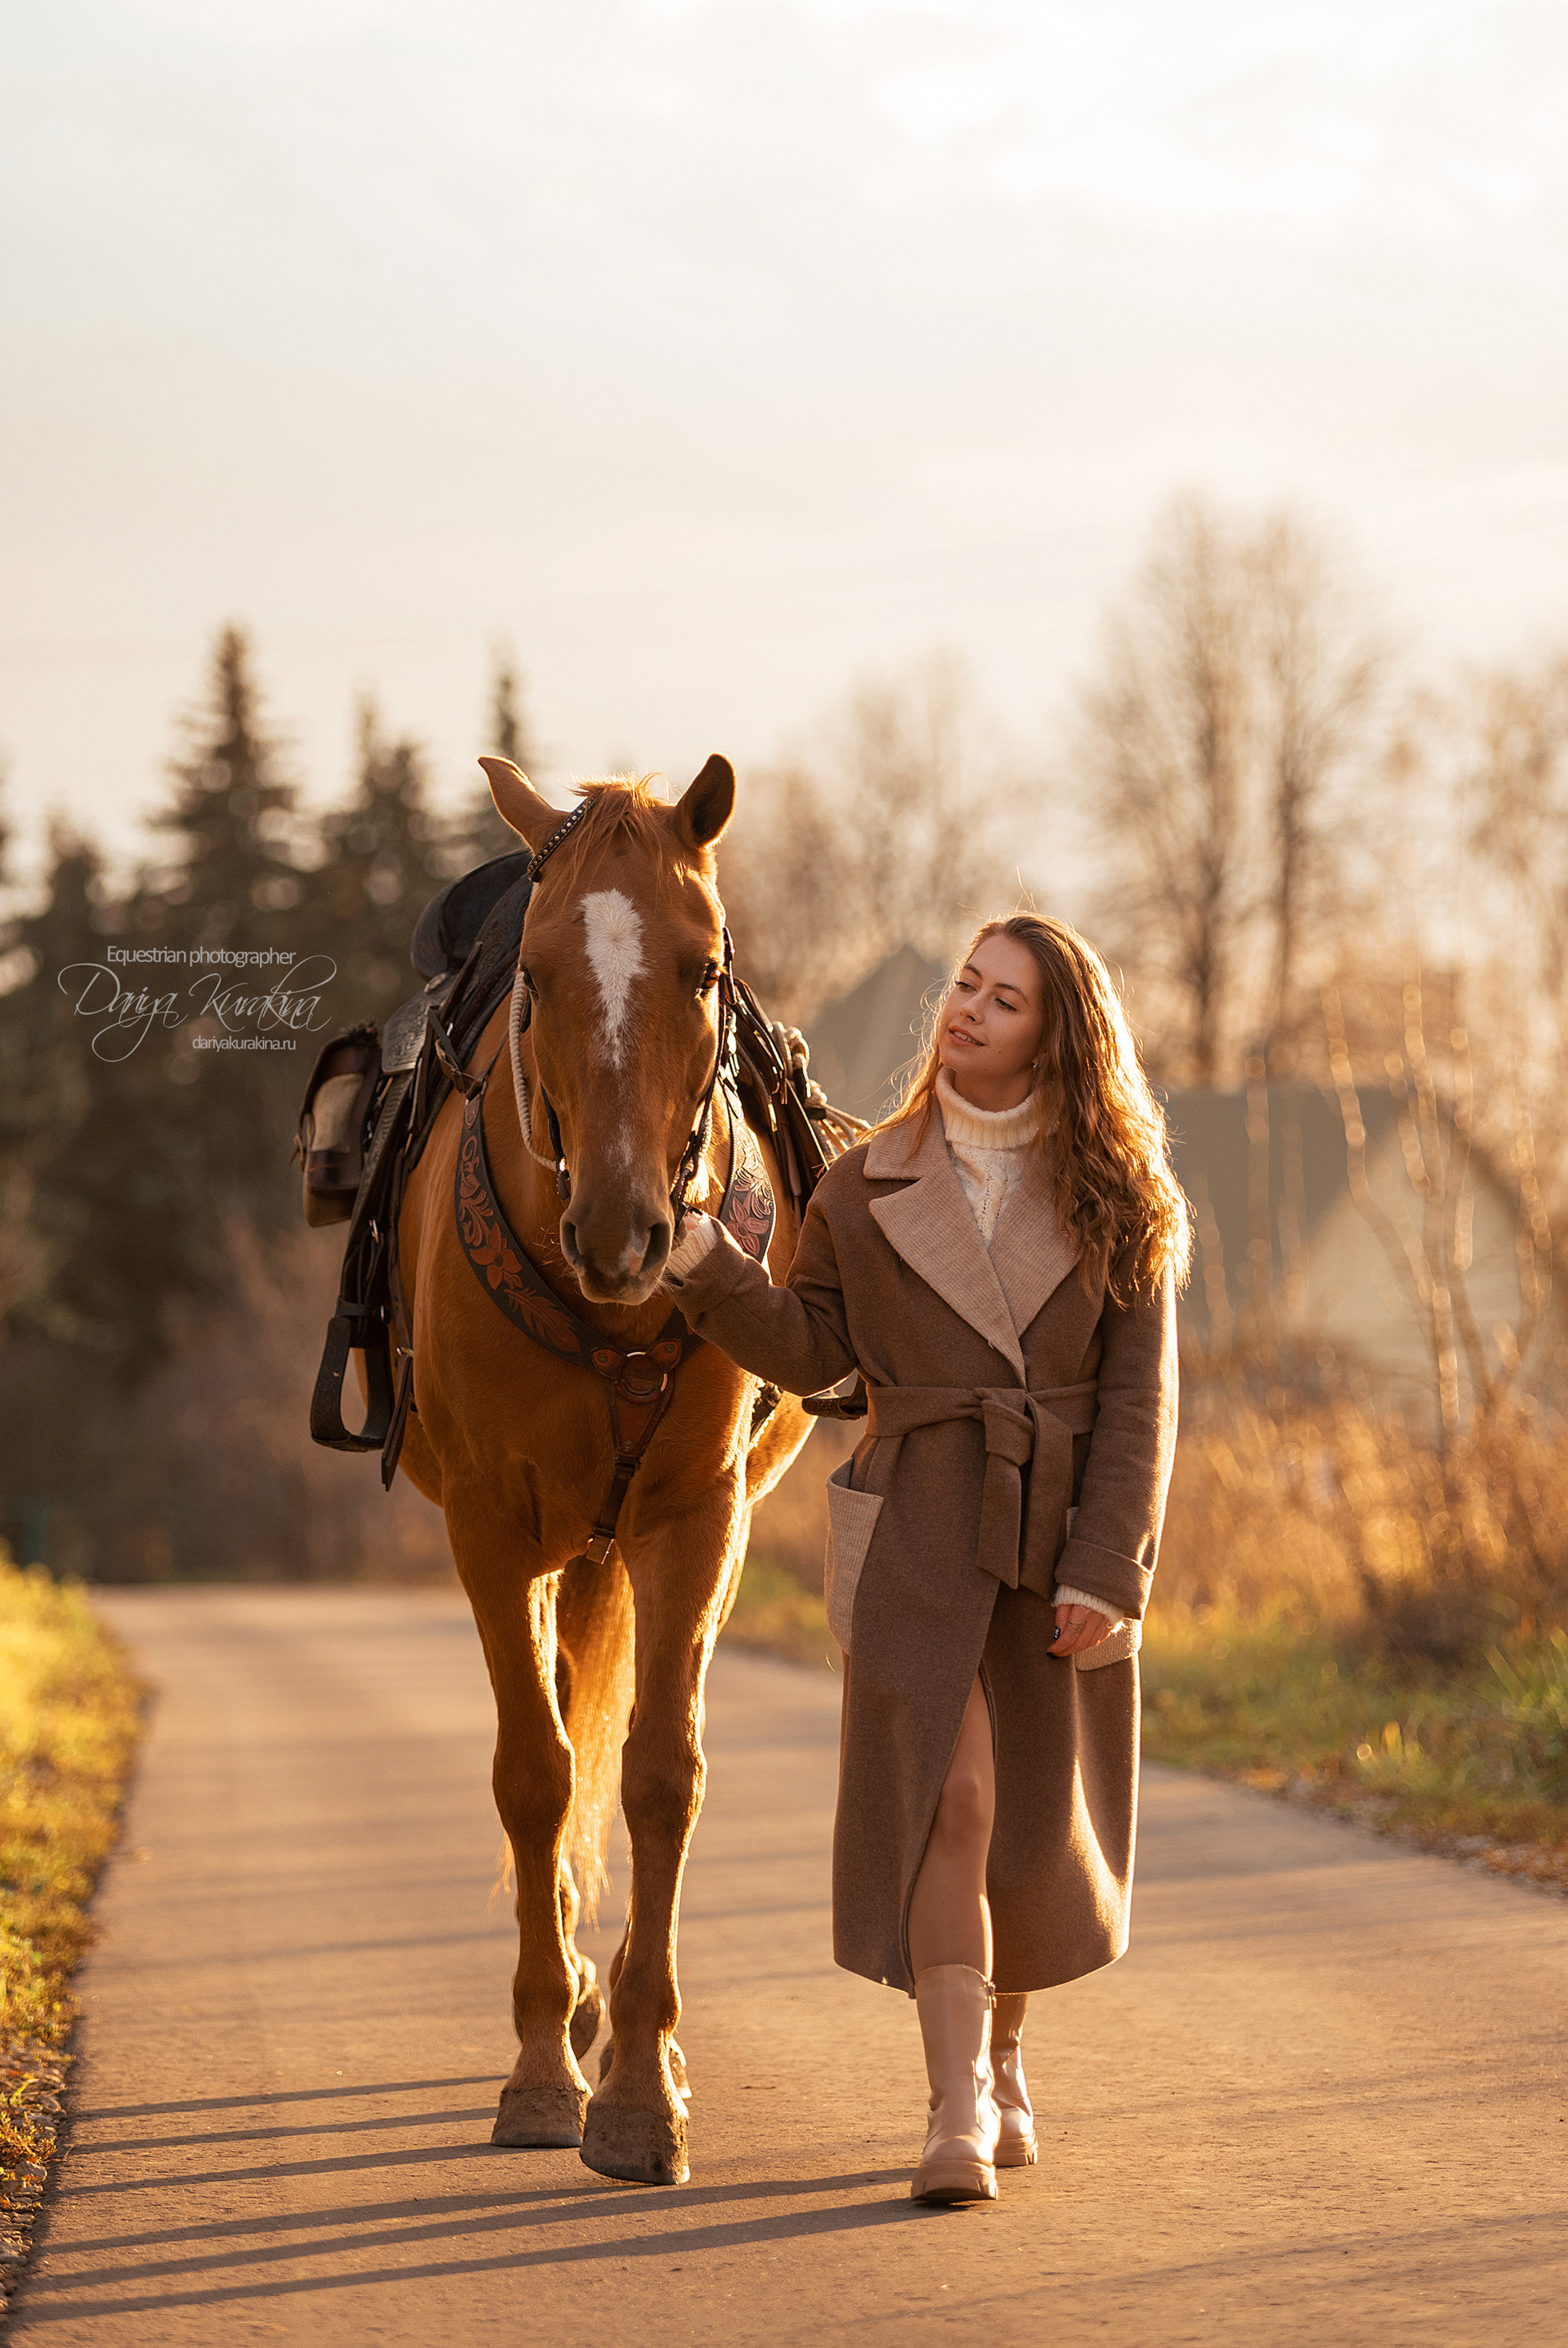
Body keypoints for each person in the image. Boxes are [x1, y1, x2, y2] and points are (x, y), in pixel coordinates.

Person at [663, 914, 1189, 2203]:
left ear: (1055, 1037)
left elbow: (1141, 1399)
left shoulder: (1121, 1194)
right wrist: (707, 1270)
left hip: (1058, 1530)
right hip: (915, 1524)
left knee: (1019, 1826)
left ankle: (1006, 2054)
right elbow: (814, 1355)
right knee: (949, 1802)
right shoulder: (861, 1182)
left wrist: (1107, 1565)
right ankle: (952, 2103)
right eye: (964, 984)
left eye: (1001, 1000)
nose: (965, 1010)